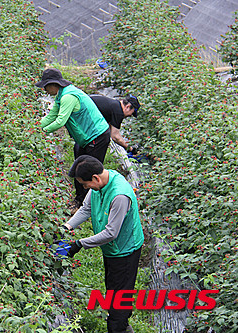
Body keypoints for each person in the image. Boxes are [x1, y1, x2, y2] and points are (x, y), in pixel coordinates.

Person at [60, 155, 144, 333]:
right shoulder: (100, 184)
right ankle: (120, 322)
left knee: (119, 297)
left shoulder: (120, 195)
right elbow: (86, 209)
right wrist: (66, 227)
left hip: (125, 250)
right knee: (113, 288)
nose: (84, 188)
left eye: (85, 184)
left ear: (95, 178)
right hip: (112, 250)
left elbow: (111, 233)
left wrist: (79, 244)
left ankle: (119, 327)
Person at [35, 68, 110, 207]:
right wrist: (34, 128)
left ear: (53, 84)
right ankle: (80, 200)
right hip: (85, 138)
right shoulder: (61, 96)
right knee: (78, 167)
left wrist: (43, 131)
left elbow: (60, 121)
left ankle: (91, 204)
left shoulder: (68, 97)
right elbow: (51, 116)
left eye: (45, 86)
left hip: (96, 136)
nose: (44, 90)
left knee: (90, 171)